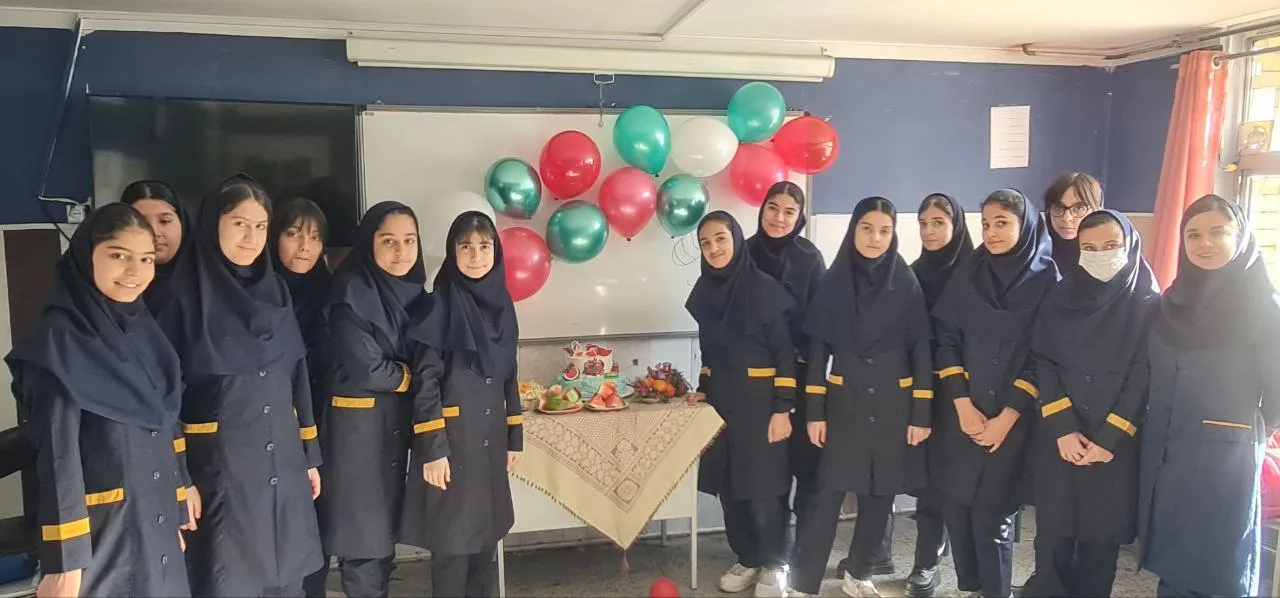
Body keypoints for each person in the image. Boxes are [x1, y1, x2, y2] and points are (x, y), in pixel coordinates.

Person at [6, 204, 190, 597]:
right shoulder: (57, 345)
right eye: (118, 255)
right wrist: (65, 563)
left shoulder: (146, 334)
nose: (135, 271)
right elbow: (59, 460)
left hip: (154, 522)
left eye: (146, 259)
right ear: (86, 256)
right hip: (103, 537)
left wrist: (173, 511)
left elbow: (165, 428)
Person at [158, 174, 323, 597]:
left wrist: (309, 457)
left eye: (260, 226)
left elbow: (296, 374)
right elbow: (163, 401)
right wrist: (178, 479)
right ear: (213, 224)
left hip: (283, 462)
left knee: (288, 580)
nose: (251, 237)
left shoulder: (275, 291)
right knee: (229, 581)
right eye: (239, 224)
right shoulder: (180, 296)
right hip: (220, 470)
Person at [788, 197, 933, 598]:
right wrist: (815, 413)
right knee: (826, 496)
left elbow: (922, 350)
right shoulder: (834, 282)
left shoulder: (906, 282)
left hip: (893, 405)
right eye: (867, 229)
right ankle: (802, 583)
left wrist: (921, 415)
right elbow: (818, 355)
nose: (875, 238)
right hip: (845, 405)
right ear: (854, 230)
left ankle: (860, 571)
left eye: (885, 231)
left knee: (880, 496)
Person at [1139, 194, 1280, 597]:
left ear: (1241, 236)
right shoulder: (1170, 303)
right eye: (1193, 234)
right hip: (1167, 447)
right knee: (1172, 554)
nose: (1205, 243)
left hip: (1226, 456)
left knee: (1218, 559)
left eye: (1218, 232)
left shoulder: (1264, 307)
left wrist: (1243, 429)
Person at [930, 189, 1058, 598]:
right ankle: (971, 588)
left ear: (1025, 224)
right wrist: (962, 405)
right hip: (962, 413)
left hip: (1012, 419)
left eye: (1002, 222)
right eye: (985, 224)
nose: (991, 232)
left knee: (991, 516)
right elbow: (947, 342)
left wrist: (1007, 417)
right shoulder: (969, 273)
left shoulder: (1049, 281)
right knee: (955, 509)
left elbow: (1044, 355)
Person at [1030, 210, 1159, 597]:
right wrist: (1063, 429)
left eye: (1110, 246)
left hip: (1114, 444)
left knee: (1099, 546)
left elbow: (1144, 375)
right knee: (1051, 539)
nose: (1100, 255)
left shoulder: (1149, 303)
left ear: (1129, 246)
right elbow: (1043, 360)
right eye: (1089, 247)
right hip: (1059, 438)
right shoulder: (1060, 296)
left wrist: (1108, 439)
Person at [400, 211, 520, 598]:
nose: (476, 256)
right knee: (452, 547)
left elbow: (509, 373)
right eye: (465, 246)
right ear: (452, 252)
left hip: (490, 442)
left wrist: (514, 436)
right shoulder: (438, 305)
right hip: (452, 445)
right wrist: (433, 450)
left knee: (485, 542)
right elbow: (425, 383)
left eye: (484, 246)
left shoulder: (502, 306)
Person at [320, 201, 428, 598]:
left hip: (392, 428)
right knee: (362, 541)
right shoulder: (352, 292)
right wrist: (418, 378)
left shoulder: (416, 294)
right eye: (389, 241)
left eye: (409, 241)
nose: (401, 252)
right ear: (369, 243)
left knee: (382, 538)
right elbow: (370, 370)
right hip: (357, 435)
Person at [686, 211, 796, 598]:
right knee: (730, 487)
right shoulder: (705, 291)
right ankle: (747, 557)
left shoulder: (764, 290)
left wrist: (783, 408)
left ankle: (775, 563)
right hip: (722, 405)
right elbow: (709, 353)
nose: (714, 248)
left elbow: (785, 355)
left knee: (764, 489)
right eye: (705, 243)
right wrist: (704, 387)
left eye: (721, 238)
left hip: (762, 406)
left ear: (735, 239)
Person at [744, 181, 827, 537]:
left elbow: (822, 326)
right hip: (757, 381)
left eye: (789, 212)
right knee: (767, 470)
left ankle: (804, 549)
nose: (779, 218)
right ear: (762, 209)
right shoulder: (743, 254)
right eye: (773, 208)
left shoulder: (810, 258)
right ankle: (774, 549)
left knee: (807, 465)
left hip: (803, 377)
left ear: (800, 216)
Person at [903, 193, 975, 597]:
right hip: (923, 391)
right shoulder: (912, 274)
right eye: (923, 223)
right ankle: (925, 562)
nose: (929, 231)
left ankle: (974, 573)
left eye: (938, 223)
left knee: (960, 486)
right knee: (928, 482)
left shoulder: (977, 274)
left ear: (956, 225)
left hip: (966, 394)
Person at [269, 198, 336, 598]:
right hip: (275, 424)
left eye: (314, 237)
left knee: (318, 523)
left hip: (326, 424)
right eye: (293, 234)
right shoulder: (260, 295)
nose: (305, 247)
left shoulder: (333, 293)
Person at [120, 180, 190, 313]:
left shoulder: (204, 283)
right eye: (142, 222)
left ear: (182, 223)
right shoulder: (110, 282)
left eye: (165, 221)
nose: (155, 232)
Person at [1042, 172, 1103, 268]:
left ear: (1096, 210)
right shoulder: (1036, 251)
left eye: (1079, 208)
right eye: (1058, 207)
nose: (1067, 218)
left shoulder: (1106, 253)